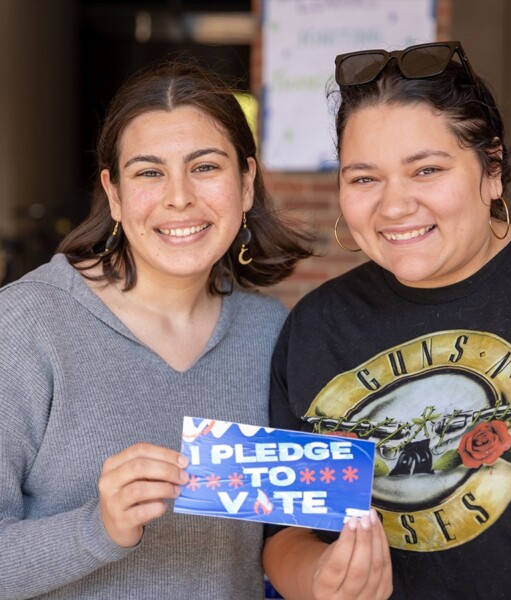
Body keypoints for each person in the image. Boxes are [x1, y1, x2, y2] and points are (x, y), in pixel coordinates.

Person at [263, 41, 511, 599]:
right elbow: (287, 532)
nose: (394, 206)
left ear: (491, 169)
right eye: (365, 178)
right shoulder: (318, 326)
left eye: (426, 170)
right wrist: (319, 581)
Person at [0, 59, 311, 599]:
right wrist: (97, 529)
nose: (179, 197)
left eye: (205, 167)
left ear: (247, 182)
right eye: (148, 172)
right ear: (114, 194)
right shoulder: (28, 325)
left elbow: (286, 535)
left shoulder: (270, 333)